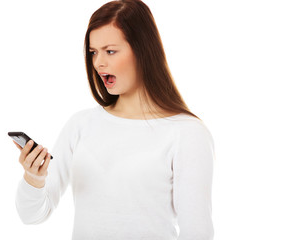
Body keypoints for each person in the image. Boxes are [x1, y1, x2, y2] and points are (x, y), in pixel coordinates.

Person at [13, 0, 215, 239]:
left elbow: (197, 232)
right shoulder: (80, 125)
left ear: (142, 50)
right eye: (93, 52)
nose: (98, 63)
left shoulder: (186, 132)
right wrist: (34, 177)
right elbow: (32, 214)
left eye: (110, 51)